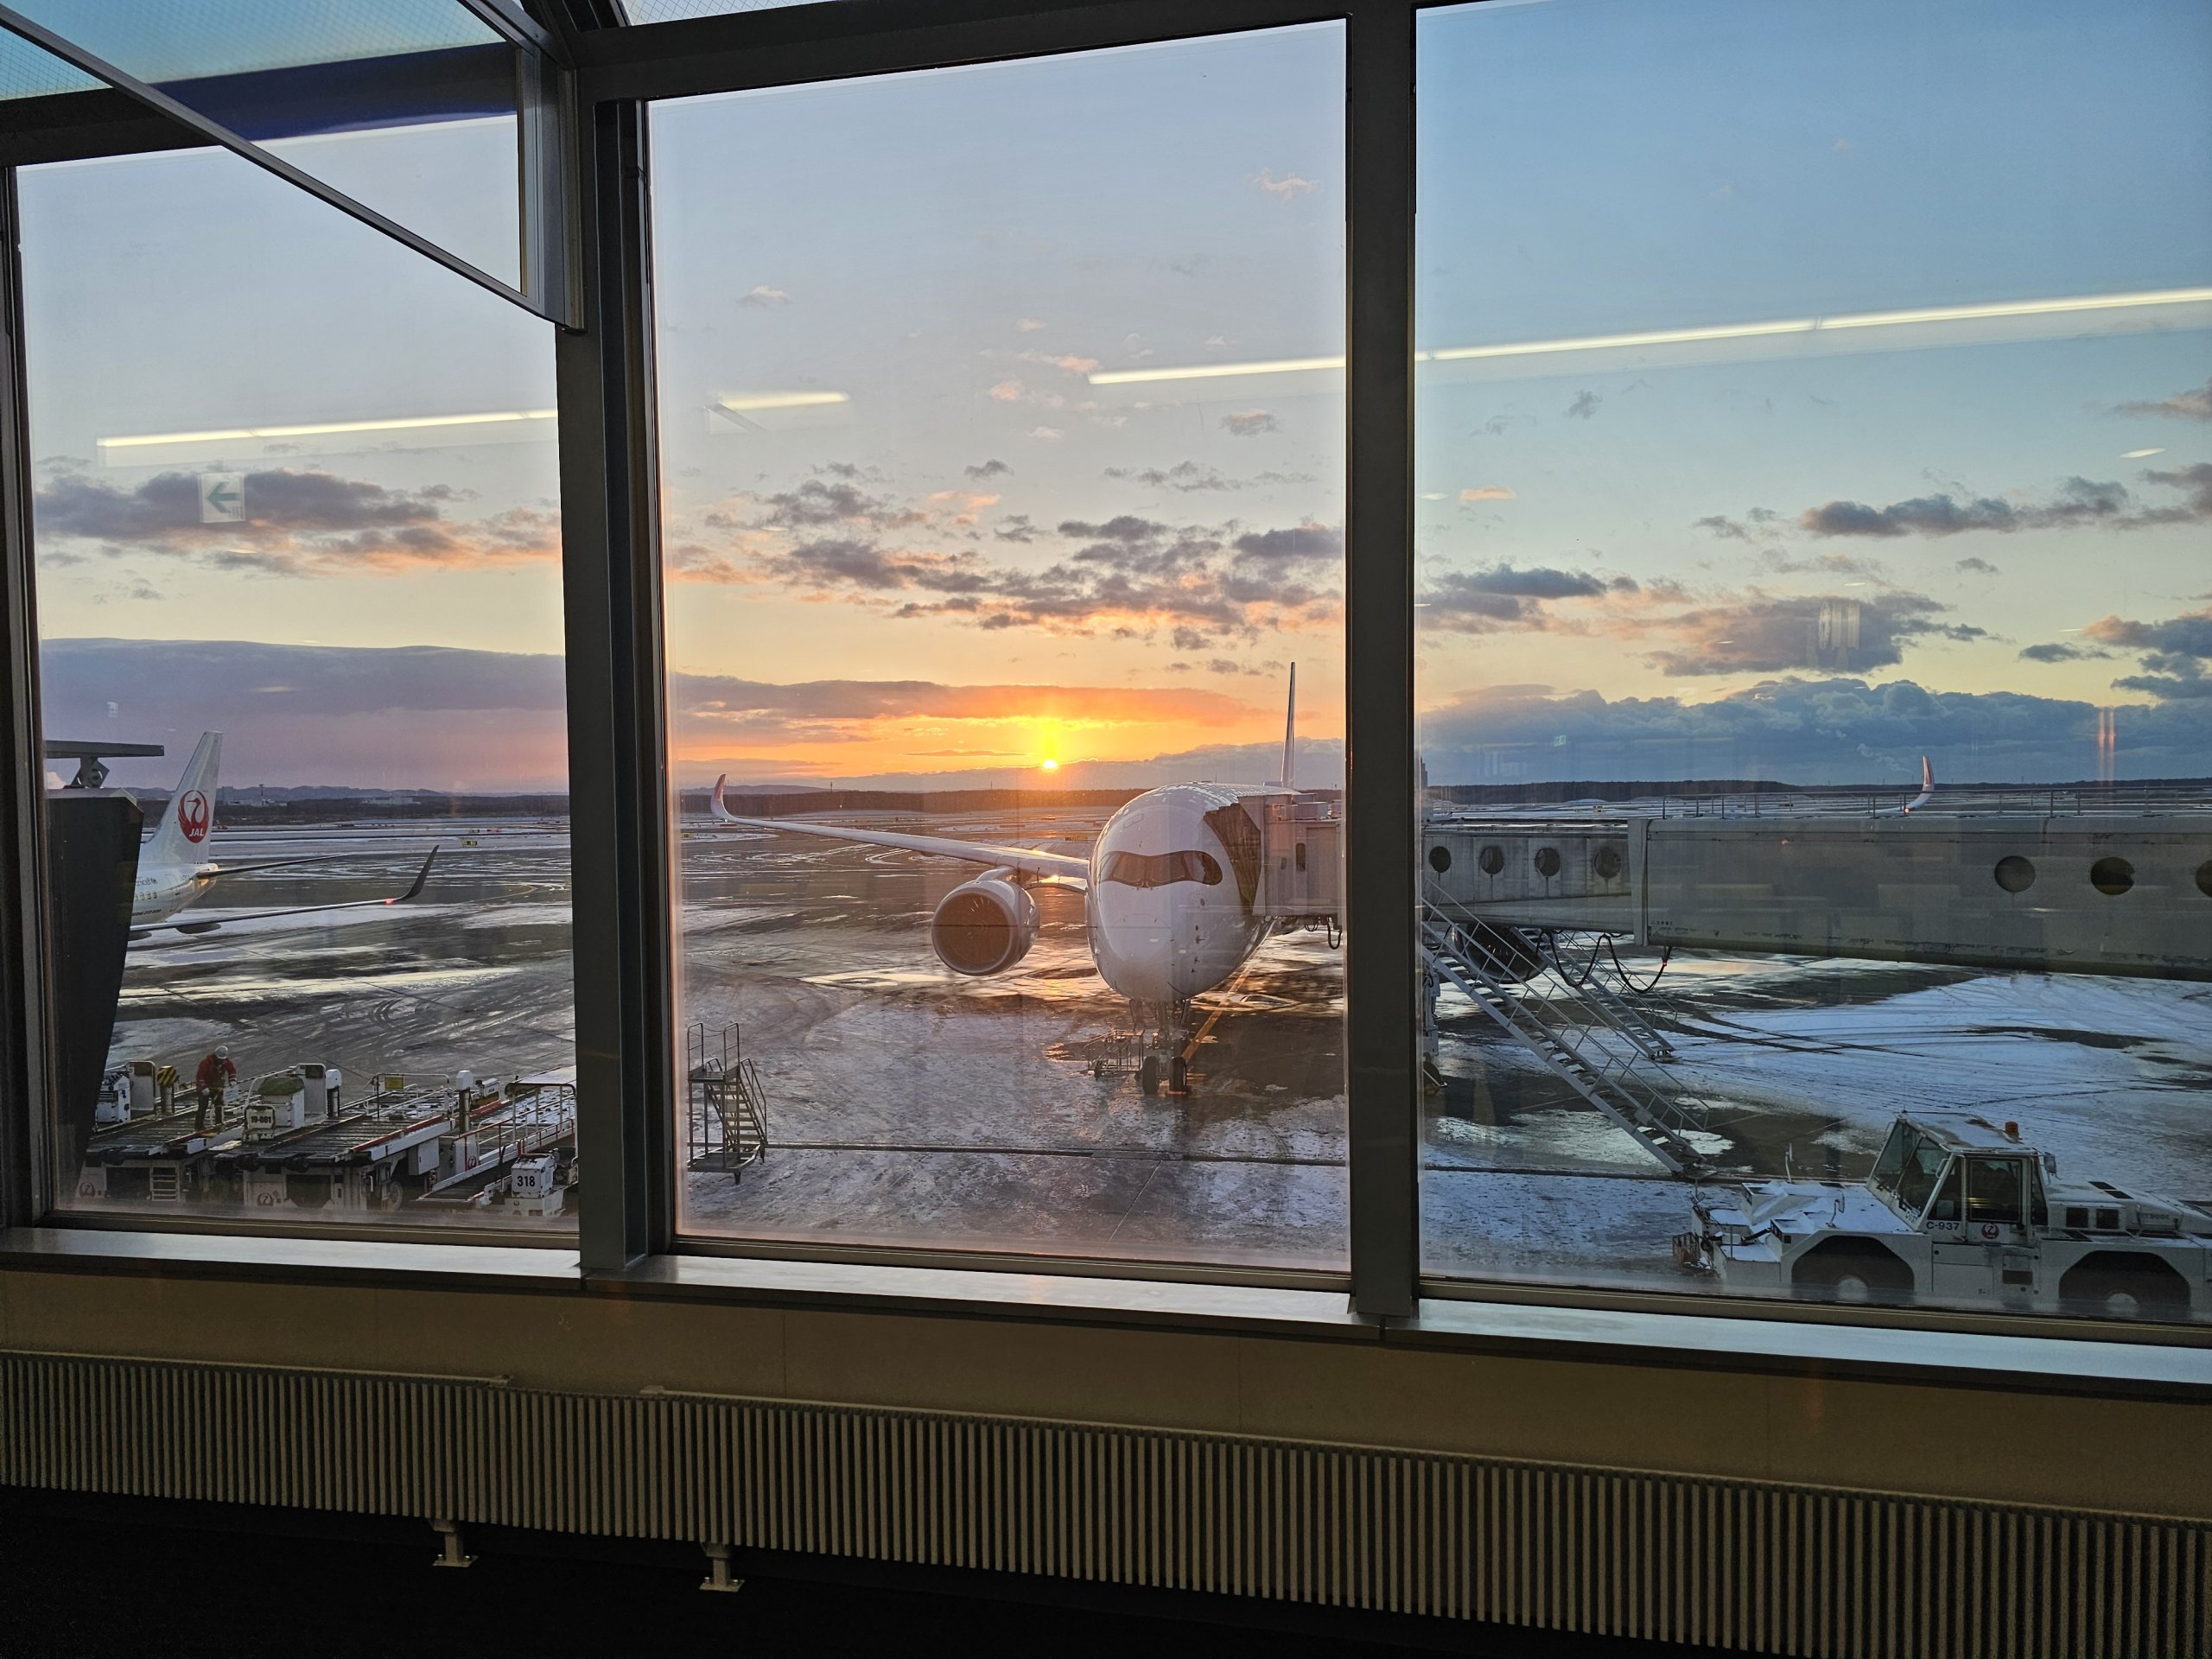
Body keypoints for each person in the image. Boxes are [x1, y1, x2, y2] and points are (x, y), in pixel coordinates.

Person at [193, 1046, 235, 1134]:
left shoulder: (225, 1062)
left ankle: (218, 1124)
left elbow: (232, 1070)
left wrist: (232, 1079)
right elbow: (200, 1076)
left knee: (219, 1106)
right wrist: (203, 1087)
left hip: (217, 1088)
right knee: (202, 1107)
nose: (221, 1061)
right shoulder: (205, 1063)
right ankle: (199, 1126)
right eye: (219, 1060)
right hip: (204, 1088)